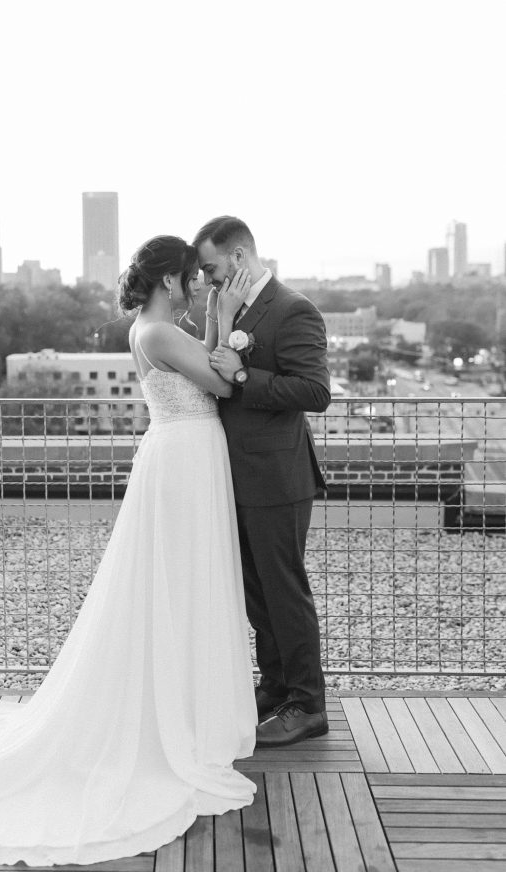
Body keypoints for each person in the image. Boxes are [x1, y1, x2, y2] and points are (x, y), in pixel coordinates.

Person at [0, 235, 258, 868]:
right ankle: (175, 719)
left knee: (180, 581)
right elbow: (225, 386)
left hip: (183, 456)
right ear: (170, 281)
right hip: (184, 458)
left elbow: (212, 366)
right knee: (179, 578)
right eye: (193, 278)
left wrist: (218, 334)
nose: (201, 284)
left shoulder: (153, 328)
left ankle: (182, 705)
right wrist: (227, 328)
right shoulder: (159, 333)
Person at [193, 216, 331, 747]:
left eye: (210, 267)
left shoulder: (294, 309)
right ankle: (276, 689)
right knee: (258, 596)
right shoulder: (231, 310)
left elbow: (315, 392)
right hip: (238, 477)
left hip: (277, 477)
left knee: (284, 592)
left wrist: (245, 375)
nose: (205, 279)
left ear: (239, 258)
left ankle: (307, 704)